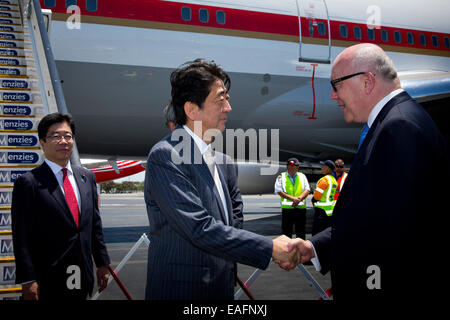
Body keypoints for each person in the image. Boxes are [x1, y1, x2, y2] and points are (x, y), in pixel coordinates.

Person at [287, 43, 450, 301]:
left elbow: (396, 240)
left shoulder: (399, 128)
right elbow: (370, 217)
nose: (332, 96)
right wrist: (315, 248)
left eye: (336, 85)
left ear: (367, 81)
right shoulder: (393, 122)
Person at [144, 59, 299, 300]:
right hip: (183, 291)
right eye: (220, 99)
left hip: (221, 286)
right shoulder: (167, 155)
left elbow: (235, 216)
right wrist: (269, 248)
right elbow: (199, 227)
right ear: (192, 110)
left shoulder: (224, 161)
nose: (228, 107)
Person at [11, 113, 111, 300]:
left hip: (82, 274)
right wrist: (27, 280)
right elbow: (21, 236)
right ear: (42, 142)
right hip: (47, 279)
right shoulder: (29, 183)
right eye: (55, 136)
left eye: (68, 136)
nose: (63, 141)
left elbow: (94, 225)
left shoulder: (86, 178)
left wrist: (102, 263)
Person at [274, 157, 310, 239]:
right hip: (287, 209)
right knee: (286, 233)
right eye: (290, 165)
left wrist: (299, 199)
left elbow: (307, 189)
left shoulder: (302, 176)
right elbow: (279, 191)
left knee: (301, 232)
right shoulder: (281, 176)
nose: (292, 167)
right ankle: (287, 251)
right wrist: (293, 199)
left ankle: (300, 251)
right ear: (287, 166)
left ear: (298, 167)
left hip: (300, 208)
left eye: (295, 166)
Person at [311, 160, 337, 235]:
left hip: (321, 211)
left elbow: (316, 196)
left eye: (324, 166)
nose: (322, 167)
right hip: (329, 211)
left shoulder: (324, 180)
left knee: (317, 233)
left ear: (328, 168)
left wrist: (313, 201)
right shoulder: (333, 180)